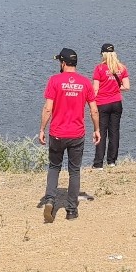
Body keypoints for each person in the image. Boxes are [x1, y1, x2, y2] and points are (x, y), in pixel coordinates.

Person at [39, 48, 99, 223]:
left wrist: (42, 128)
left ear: (63, 63)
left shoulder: (54, 80)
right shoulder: (85, 82)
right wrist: (97, 130)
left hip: (57, 133)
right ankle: (71, 211)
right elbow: (94, 110)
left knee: (54, 167)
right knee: (74, 171)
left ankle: (50, 200)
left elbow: (48, 108)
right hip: (76, 134)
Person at [91, 43, 131, 168]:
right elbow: (127, 87)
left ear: (103, 54)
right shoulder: (122, 68)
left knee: (101, 132)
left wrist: (91, 104)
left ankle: (98, 163)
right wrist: (114, 86)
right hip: (116, 103)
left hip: (102, 104)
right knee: (114, 132)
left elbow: (95, 89)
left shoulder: (99, 68)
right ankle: (112, 161)